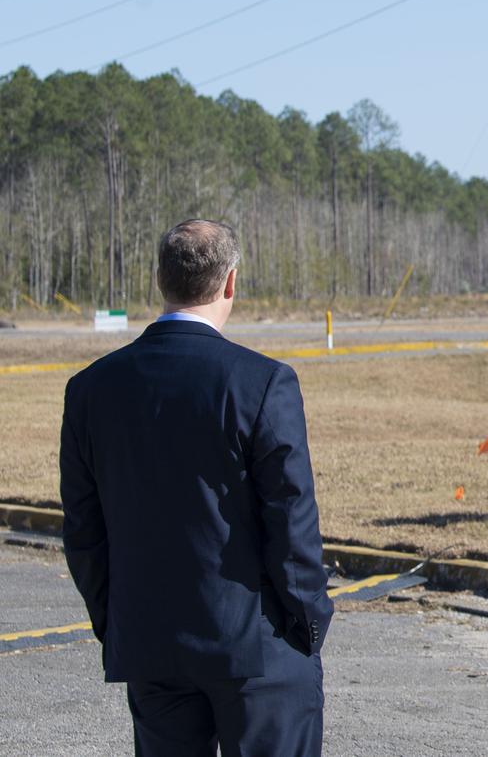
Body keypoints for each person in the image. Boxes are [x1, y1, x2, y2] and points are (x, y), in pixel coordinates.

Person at [60, 219, 333, 757]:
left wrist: (117, 624)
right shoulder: (262, 382)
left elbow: (83, 531)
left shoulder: (90, 388)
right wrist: (309, 623)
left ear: (160, 280)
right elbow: (291, 519)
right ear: (230, 282)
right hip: (258, 645)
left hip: (151, 644)